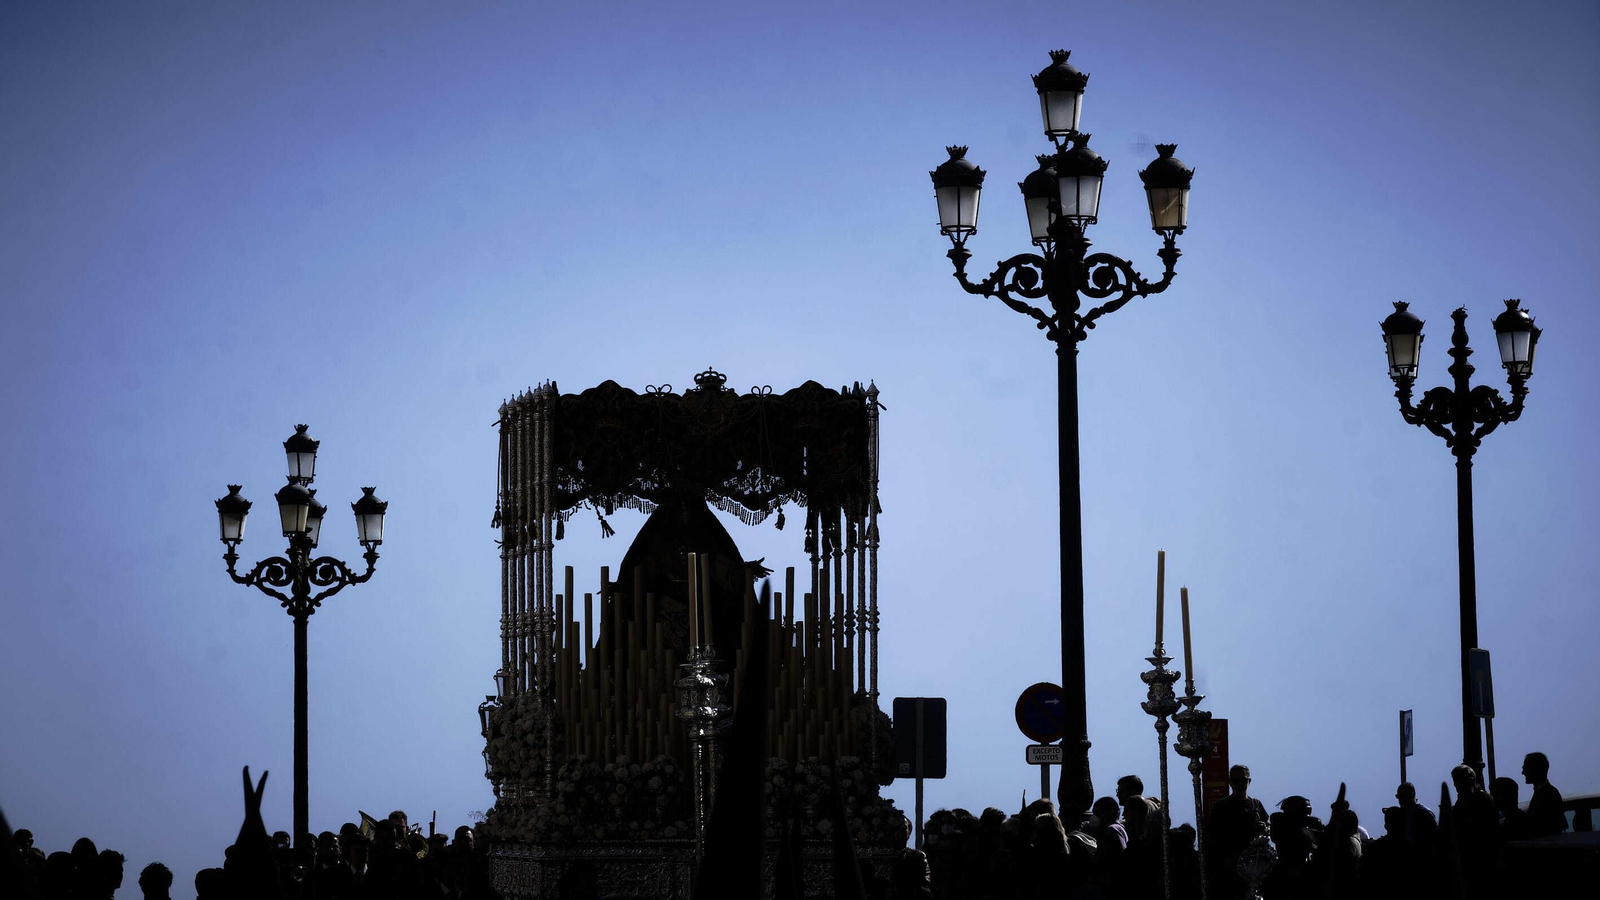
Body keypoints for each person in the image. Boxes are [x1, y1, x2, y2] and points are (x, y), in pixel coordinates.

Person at [1206, 765, 1268, 900]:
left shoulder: (1256, 805)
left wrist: (1264, 828)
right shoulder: (1221, 807)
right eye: (1236, 781)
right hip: (1230, 866)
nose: (1241, 784)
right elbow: (1214, 836)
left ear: (1249, 782)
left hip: (1254, 866)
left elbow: (1268, 828)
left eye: (1244, 781)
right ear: (1230, 783)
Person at [1522, 751, 1566, 838]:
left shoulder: (1548, 794)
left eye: (1525, 768)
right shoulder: (1549, 792)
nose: (1523, 772)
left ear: (1534, 769)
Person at [1392, 782, 1436, 849]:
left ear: (1411, 794)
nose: (1400, 800)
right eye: (1398, 796)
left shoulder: (1424, 814)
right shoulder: (1403, 813)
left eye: (1402, 796)